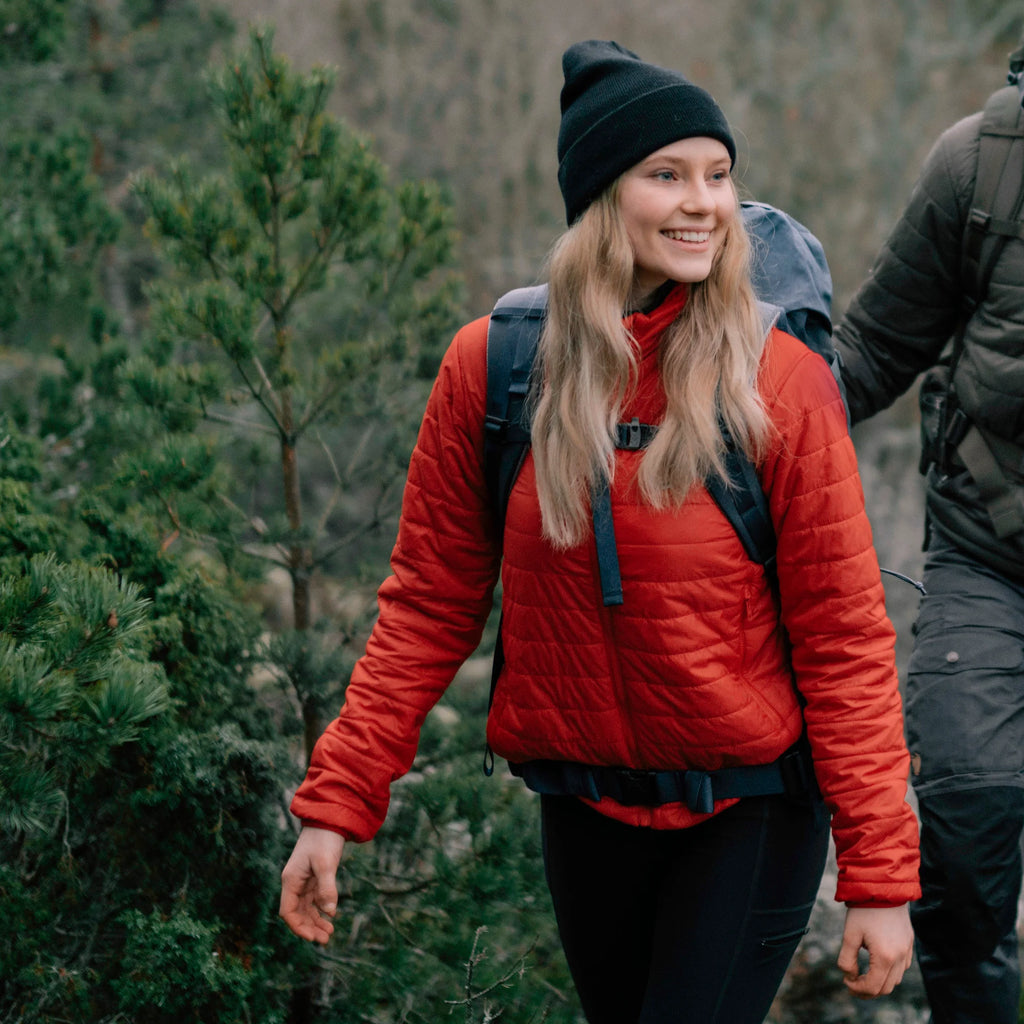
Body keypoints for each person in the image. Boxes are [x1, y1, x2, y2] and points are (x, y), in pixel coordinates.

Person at [280, 40, 920, 1023]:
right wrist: (334, 807)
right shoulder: (492, 372)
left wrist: (877, 876)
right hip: (583, 806)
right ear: (598, 200)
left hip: (748, 805)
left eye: (717, 174)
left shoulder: (777, 382)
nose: (702, 201)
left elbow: (844, 641)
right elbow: (424, 611)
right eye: (665, 175)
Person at [833, 40, 1024, 1024]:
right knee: (965, 823)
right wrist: (726, 424)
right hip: (987, 552)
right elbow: (870, 348)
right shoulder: (980, 163)